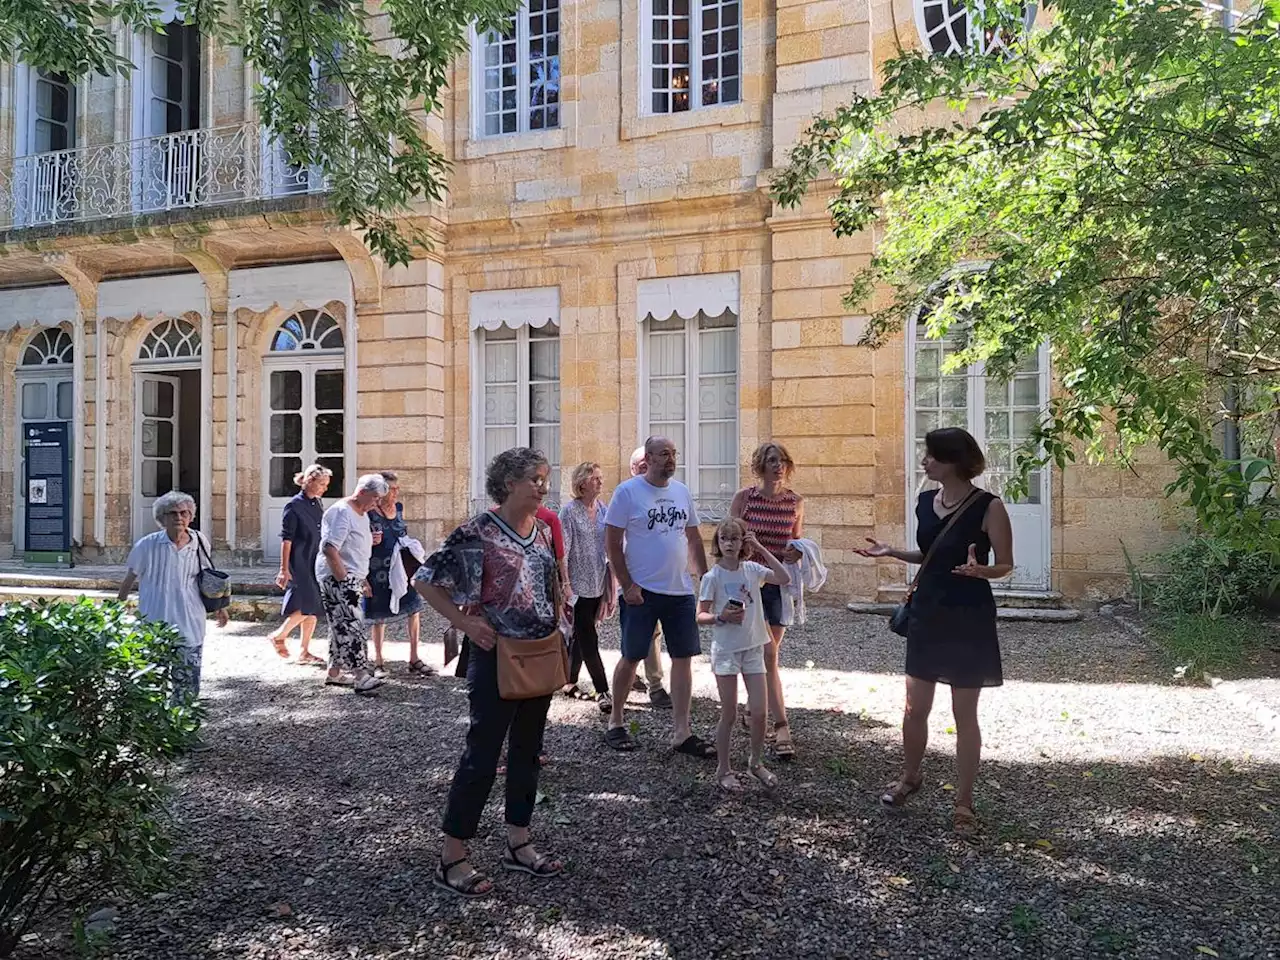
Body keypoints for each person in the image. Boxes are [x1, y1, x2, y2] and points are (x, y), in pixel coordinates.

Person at [415, 448, 565, 898]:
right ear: (507, 484)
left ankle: (518, 841)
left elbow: (550, 585)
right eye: (534, 479)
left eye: (544, 478)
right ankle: (452, 856)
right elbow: (425, 580)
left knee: (528, 752)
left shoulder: (542, 531)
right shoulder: (478, 531)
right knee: (482, 756)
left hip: (537, 654)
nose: (542, 486)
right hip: (495, 654)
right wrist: (464, 623)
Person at [856, 427, 1014, 838]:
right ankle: (910, 777)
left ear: (954, 462)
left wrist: (983, 571)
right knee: (914, 707)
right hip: (928, 610)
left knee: (965, 714)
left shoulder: (989, 506)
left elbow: (1006, 564)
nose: (925, 462)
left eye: (932, 456)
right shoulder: (926, 502)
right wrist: (891, 552)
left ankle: (964, 802)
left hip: (969, 615)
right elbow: (930, 554)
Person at [604, 436, 712, 756]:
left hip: (679, 591)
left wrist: (706, 580)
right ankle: (616, 721)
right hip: (641, 592)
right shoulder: (627, 492)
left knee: (683, 658)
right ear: (647, 458)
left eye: (673, 454)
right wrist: (626, 584)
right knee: (632, 654)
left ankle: (682, 731)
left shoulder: (680, 492)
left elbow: (693, 538)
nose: (670, 459)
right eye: (664, 454)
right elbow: (611, 542)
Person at [118, 491, 228, 746]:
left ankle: (185, 733)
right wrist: (117, 609)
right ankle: (151, 734)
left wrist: (220, 606)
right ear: (162, 518)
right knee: (152, 681)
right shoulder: (147, 545)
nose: (179, 518)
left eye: (184, 513)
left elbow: (207, 575)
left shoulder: (199, 541)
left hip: (190, 620)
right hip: (154, 622)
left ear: (191, 516)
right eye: (173, 513)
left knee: (188, 682)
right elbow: (129, 579)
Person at [697, 519, 790, 792]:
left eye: (734, 539)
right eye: (724, 538)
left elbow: (783, 577)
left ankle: (756, 762)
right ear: (717, 542)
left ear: (742, 543)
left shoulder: (752, 570)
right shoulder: (712, 577)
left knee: (760, 713)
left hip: (753, 647)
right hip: (726, 650)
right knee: (729, 714)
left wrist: (760, 546)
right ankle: (723, 768)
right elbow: (699, 615)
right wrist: (720, 616)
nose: (729, 543)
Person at [730, 441, 805, 759]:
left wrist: (796, 551)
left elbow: (797, 541)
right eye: (772, 460)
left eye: (783, 461)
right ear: (760, 465)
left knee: (766, 655)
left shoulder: (796, 502)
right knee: (768, 655)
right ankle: (781, 726)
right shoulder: (745, 499)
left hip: (778, 585)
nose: (778, 466)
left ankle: (753, 706)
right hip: (749, 585)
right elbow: (727, 539)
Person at [316, 473, 389, 696]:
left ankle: (335, 671)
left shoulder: (361, 513)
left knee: (340, 625)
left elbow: (354, 548)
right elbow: (330, 548)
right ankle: (360, 675)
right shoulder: (342, 512)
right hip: (337, 578)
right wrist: (344, 580)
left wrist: (362, 577)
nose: (377, 504)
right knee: (352, 625)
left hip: (352, 576)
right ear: (363, 492)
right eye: (375, 498)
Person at [364, 470, 434, 678]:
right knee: (379, 616)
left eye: (397, 488)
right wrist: (370, 541)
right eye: (392, 489)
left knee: (414, 609)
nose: (396, 493)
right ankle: (378, 661)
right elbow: (358, 541)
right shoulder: (369, 512)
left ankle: (414, 657)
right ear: (381, 491)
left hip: (402, 567)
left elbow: (402, 532)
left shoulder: (399, 508)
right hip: (377, 569)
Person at [559, 461, 614, 713]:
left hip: (597, 583)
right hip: (577, 586)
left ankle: (568, 681)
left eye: (601, 478)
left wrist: (611, 584)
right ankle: (603, 690)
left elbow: (611, 548)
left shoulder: (603, 510)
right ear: (582, 484)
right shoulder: (569, 513)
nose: (600, 482)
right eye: (595, 478)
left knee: (582, 636)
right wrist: (565, 584)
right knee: (589, 638)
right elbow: (563, 552)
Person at [268, 464, 331, 665]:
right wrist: (283, 569)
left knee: (315, 606)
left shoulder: (317, 503)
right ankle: (279, 635)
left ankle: (304, 651)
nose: (324, 488)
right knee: (308, 604)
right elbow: (287, 539)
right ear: (309, 481)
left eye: (326, 484)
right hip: (300, 561)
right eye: (322, 484)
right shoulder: (293, 506)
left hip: (316, 559)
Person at [626, 445, 672, 708]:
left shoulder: (665, 494)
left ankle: (645, 681)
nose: (647, 468)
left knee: (653, 632)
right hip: (634, 578)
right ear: (633, 469)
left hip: (662, 577)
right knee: (644, 631)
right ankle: (651, 684)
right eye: (642, 465)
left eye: (649, 463)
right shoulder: (626, 496)